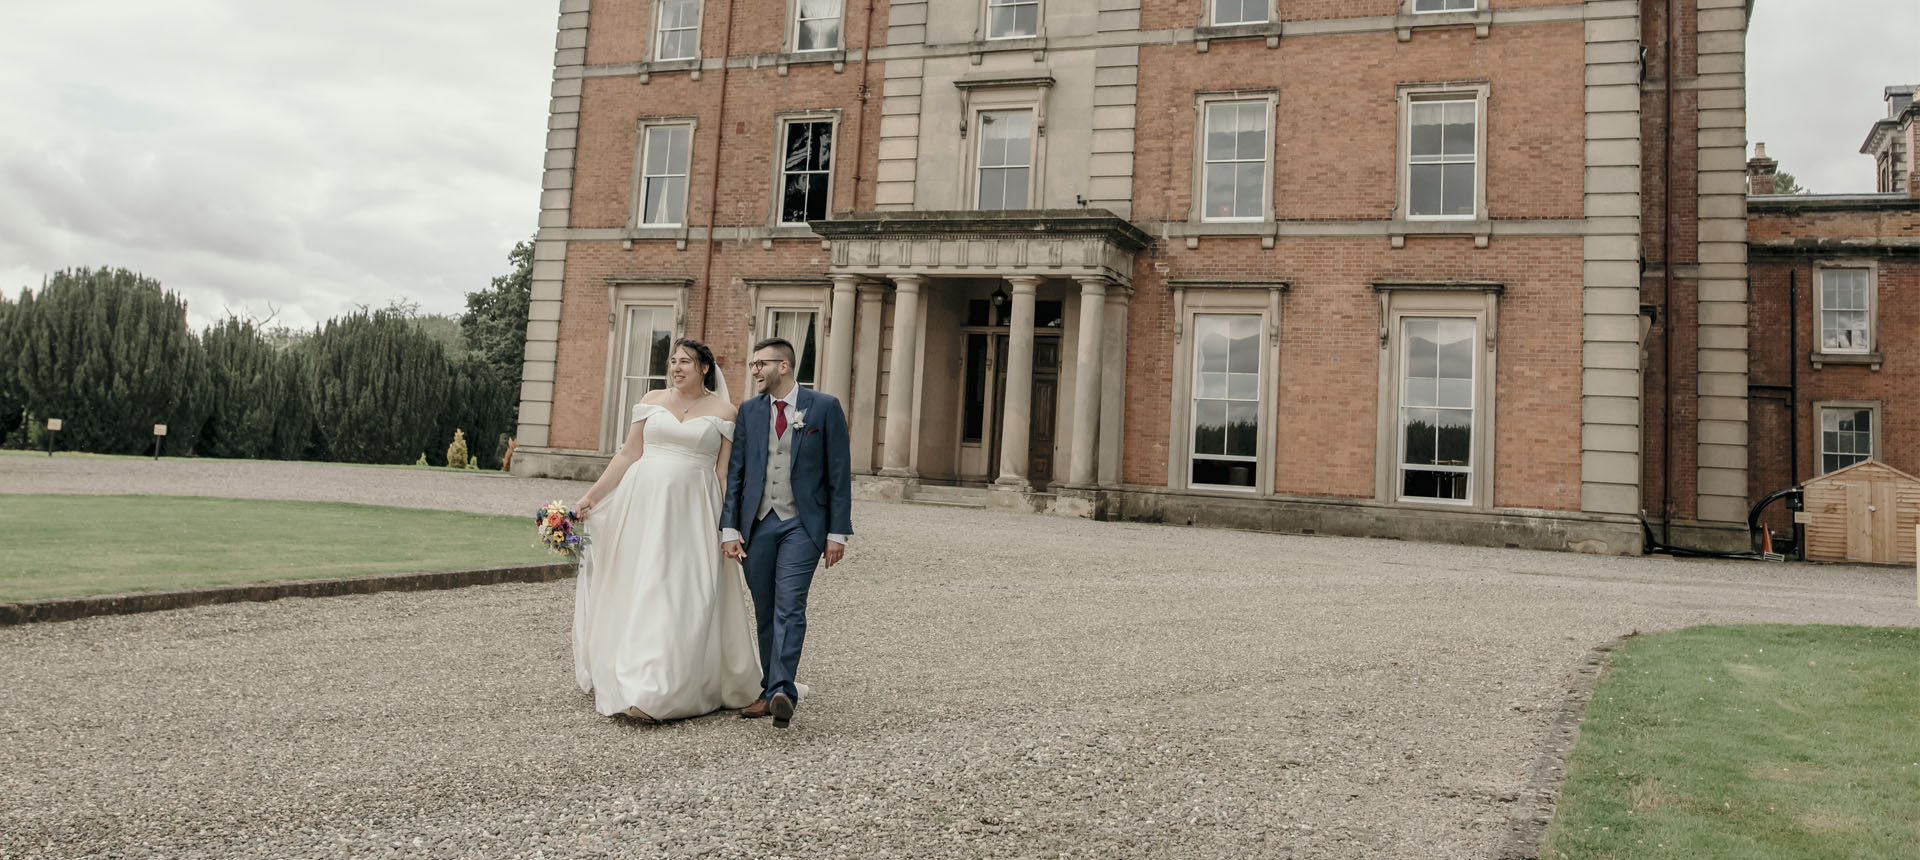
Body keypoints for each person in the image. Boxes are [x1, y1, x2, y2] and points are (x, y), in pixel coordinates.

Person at [570, 338, 762, 722]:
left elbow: (724, 473)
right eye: (673, 361)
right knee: (644, 585)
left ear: (704, 368)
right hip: (642, 506)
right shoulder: (651, 400)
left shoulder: (724, 411)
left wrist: (732, 525)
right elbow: (628, 454)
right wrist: (591, 497)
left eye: (686, 362)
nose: (676, 368)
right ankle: (639, 684)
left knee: (683, 591)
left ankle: (670, 686)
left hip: (694, 511)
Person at [721, 337, 854, 729]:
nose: (755, 371)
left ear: (784, 366)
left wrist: (838, 533)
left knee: (790, 605)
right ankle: (769, 690)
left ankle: (783, 691)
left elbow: (839, 474)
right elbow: (737, 474)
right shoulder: (749, 411)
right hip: (758, 523)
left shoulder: (824, 408)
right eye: (753, 364)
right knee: (765, 607)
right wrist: (730, 526)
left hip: (802, 524)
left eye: (761, 364)